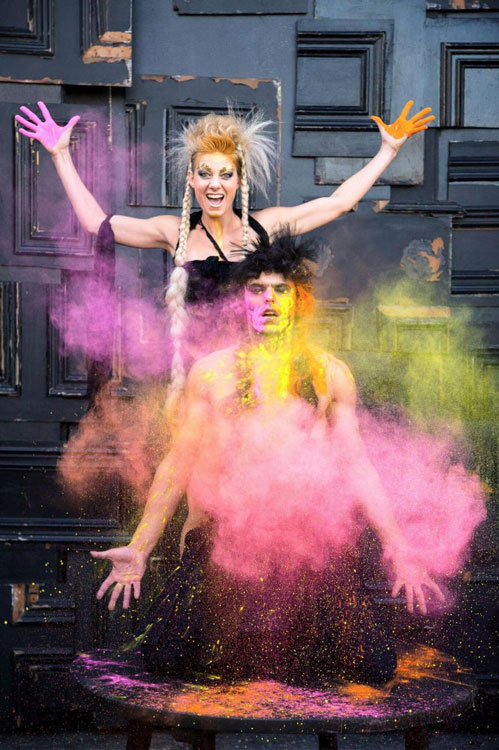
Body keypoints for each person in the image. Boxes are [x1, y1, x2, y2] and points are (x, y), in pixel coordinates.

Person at [90, 233, 445, 686]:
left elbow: (358, 466)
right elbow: (178, 461)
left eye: (281, 289)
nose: (269, 299)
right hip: (223, 541)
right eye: (256, 289)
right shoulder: (210, 373)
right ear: (242, 301)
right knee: (166, 657)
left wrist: (399, 547)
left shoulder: (329, 373)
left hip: (308, 545)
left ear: (299, 299)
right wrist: (140, 546)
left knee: (372, 666)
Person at [16, 100, 435, 408]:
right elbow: (97, 223)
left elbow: (338, 203)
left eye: (225, 174)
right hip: (199, 381)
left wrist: (388, 151)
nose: (214, 184)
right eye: (205, 173)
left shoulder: (264, 227)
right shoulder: (174, 232)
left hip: (261, 377)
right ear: (191, 179)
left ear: (238, 181)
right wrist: (60, 154)